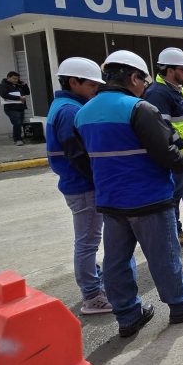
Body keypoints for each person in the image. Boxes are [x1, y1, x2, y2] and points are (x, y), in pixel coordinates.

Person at [74, 50, 183, 338]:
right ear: (133, 77)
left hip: (111, 201)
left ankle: (128, 316)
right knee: (164, 256)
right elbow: (167, 154)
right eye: (142, 80)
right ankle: (182, 304)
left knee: (117, 261)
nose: (144, 87)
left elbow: (80, 159)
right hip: (148, 198)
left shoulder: (83, 113)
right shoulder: (139, 108)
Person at [45, 57, 111, 315]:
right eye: (92, 85)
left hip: (76, 183)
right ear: (74, 82)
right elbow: (78, 154)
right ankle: (92, 296)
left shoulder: (62, 106)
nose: (95, 90)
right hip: (82, 185)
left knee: (87, 239)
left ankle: (93, 281)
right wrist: (99, 179)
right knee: (88, 242)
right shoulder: (70, 111)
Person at [143, 47, 183, 248]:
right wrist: (182, 146)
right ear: (170, 70)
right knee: (174, 194)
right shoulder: (157, 93)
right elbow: (163, 126)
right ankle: (175, 232)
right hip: (179, 154)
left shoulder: (177, 90)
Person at [0, 71, 30, 145]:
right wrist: (18, 98)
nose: (16, 80)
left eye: (17, 79)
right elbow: (4, 95)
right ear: (8, 78)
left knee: (19, 123)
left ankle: (17, 136)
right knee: (17, 122)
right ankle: (17, 139)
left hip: (20, 107)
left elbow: (27, 92)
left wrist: (25, 85)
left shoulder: (18, 85)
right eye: (14, 78)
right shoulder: (2, 85)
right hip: (10, 108)